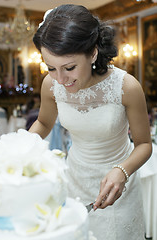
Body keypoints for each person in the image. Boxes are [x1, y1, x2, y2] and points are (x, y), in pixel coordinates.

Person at [29, 4, 152, 240]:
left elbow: (144, 144)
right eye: (51, 68)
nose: (61, 79)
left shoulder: (126, 87)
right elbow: (44, 123)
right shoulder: (50, 85)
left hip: (119, 184)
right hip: (74, 180)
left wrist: (122, 171)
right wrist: (23, 148)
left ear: (93, 53)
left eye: (70, 68)